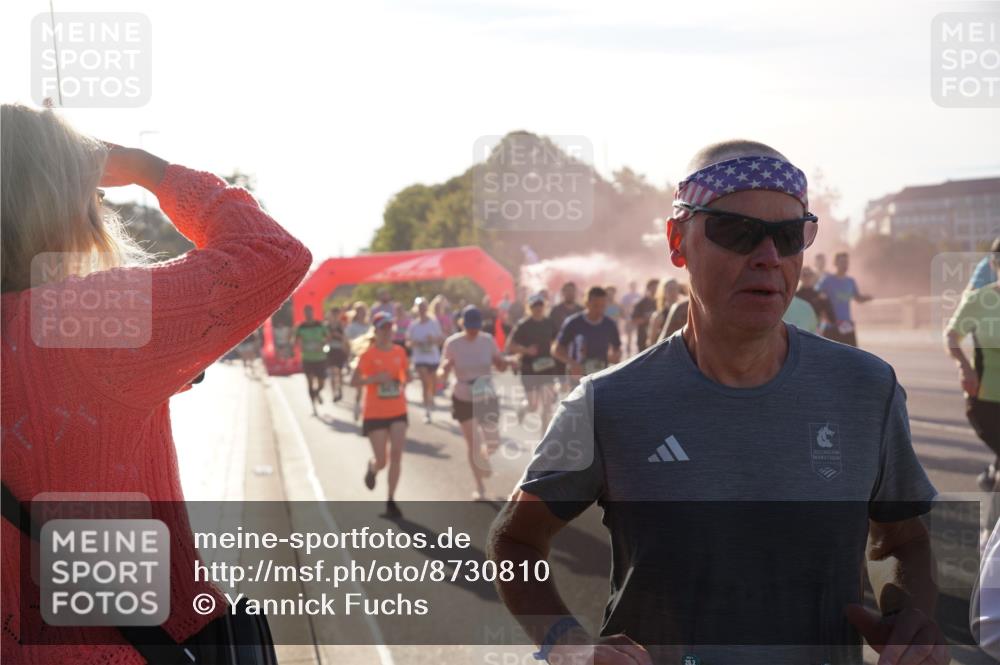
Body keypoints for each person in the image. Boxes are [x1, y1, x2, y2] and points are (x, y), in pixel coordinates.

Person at [489, 139, 944, 665]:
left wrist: (910, 617)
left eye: (789, 235)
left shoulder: (867, 388)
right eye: (736, 231)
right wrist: (566, 645)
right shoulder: (607, 402)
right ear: (678, 241)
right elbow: (515, 541)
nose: (769, 257)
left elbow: (902, 541)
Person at [0, 104, 310, 663]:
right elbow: (272, 253)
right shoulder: (77, 320)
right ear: (61, 201)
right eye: (92, 193)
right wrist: (149, 170)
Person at [944, 237, 1000, 491]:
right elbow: (951, 336)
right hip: (986, 399)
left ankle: (991, 484)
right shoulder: (979, 300)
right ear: (994, 264)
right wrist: (964, 367)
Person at [439, 306, 508, 500]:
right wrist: (443, 370)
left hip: (485, 392)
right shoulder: (453, 343)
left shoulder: (487, 340)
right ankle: (480, 487)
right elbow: (443, 367)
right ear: (462, 324)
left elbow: (499, 364)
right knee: (473, 443)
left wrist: (505, 363)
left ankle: (484, 458)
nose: (473, 330)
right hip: (463, 394)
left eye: (476, 327)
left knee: (493, 441)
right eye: (469, 326)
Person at [350, 311, 410, 518]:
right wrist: (374, 379)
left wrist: (399, 382)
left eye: (389, 328)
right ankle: (373, 468)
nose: (386, 332)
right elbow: (354, 381)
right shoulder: (368, 355)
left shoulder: (400, 352)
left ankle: (391, 500)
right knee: (382, 460)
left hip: (398, 410)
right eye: (382, 328)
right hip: (375, 412)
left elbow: (404, 377)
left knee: (396, 455)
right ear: (375, 331)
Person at [506, 293, 559, 430]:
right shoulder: (523, 325)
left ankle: (544, 438)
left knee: (547, 405)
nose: (538, 308)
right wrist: (526, 350)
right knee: (533, 405)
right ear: (529, 307)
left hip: (547, 368)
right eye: (535, 305)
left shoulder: (550, 323)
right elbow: (510, 346)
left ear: (544, 306)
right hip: (529, 368)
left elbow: (556, 341)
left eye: (540, 305)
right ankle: (523, 408)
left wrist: (556, 352)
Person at [552, 286, 622, 381]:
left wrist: (614, 356)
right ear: (586, 303)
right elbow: (556, 350)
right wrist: (572, 363)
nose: (599, 310)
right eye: (596, 306)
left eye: (603, 306)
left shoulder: (610, 324)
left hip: (601, 377)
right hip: (578, 379)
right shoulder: (573, 322)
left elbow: (617, 350)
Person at [819, 251, 872, 347]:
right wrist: (823, 314)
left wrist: (867, 298)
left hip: (846, 324)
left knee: (852, 356)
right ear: (835, 263)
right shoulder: (827, 280)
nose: (845, 265)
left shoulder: (850, 281)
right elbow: (818, 298)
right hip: (832, 325)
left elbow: (858, 298)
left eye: (846, 262)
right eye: (842, 262)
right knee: (831, 357)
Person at [407, 297, 444, 423]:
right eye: (420, 307)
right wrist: (414, 343)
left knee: (432, 384)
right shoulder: (413, 325)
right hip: (420, 358)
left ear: (427, 308)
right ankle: (427, 411)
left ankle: (431, 398)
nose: (422, 309)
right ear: (416, 309)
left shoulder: (433, 323)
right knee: (424, 382)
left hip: (432, 357)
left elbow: (440, 339)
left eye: (424, 307)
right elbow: (408, 342)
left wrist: (432, 340)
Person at [294, 304, 329, 414]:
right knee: (309, 382)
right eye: (306, 312)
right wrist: (300, 344)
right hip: (307, 358)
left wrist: (322, 344)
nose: (308, 314)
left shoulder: (320, 324)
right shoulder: (301, 327)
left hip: (320, 358)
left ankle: (317, 392)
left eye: (310, 312)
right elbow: (295, 340)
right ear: (304, 314)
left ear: (312, 313)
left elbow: (328, 337)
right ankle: (313, 406)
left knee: (322, 383)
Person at [345, 302, 371, 421]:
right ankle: (357, 405)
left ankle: (368, 409)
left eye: (363, 310)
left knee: (371, 386)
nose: (362, 313)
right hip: (358, 359)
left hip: (371, 359)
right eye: (359, 311)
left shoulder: (369, 326)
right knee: (359, 386)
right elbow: (347, 343)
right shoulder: (352, 327)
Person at [796, 265, 837, 331]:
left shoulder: (820, 295)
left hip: (816, 332)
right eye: (804, 275)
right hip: (799, 331)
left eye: (810, 275)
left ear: (813, 276)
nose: (807, 277)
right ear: (800, 277)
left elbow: (832, 319)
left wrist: (825, 307)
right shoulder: (795, 296)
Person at [325, 305, 349, 402]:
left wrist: (338, 335)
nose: (335, 316)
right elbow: (325, 339)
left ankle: (340, 390)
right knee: (332, 372)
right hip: (330, 350)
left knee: (339, 373)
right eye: (333, 314)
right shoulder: (327, 326)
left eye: (337, 314)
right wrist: (330, 337)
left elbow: (345, 339)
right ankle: (334, 392)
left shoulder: (341, 325)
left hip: (339, 350)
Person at [648, 278, 681, 344]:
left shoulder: (684, 312)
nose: (673, 292)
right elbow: (651, 341)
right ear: (664, 291)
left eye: (675, 288)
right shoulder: (658, 316)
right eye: (670, 289)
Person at [630, 278, 659, 352]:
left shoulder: (662, 303)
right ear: (648, 288)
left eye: (657, 287)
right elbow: (633, 320)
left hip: (659, 340)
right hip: (643, 339)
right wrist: (648, 319)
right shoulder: (641, 303)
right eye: (653, 287)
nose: (655, 290)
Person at [620, 280, 642, 354]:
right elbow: (623, 307)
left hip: (636, 319)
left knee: (637, 335)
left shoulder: (639, 296)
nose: (633, 287)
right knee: (629, 336)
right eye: (632, 286)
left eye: (634, 286)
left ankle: (636, 352)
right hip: (628, 319)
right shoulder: (626, 297)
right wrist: (625, 317)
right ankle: (628, 351)